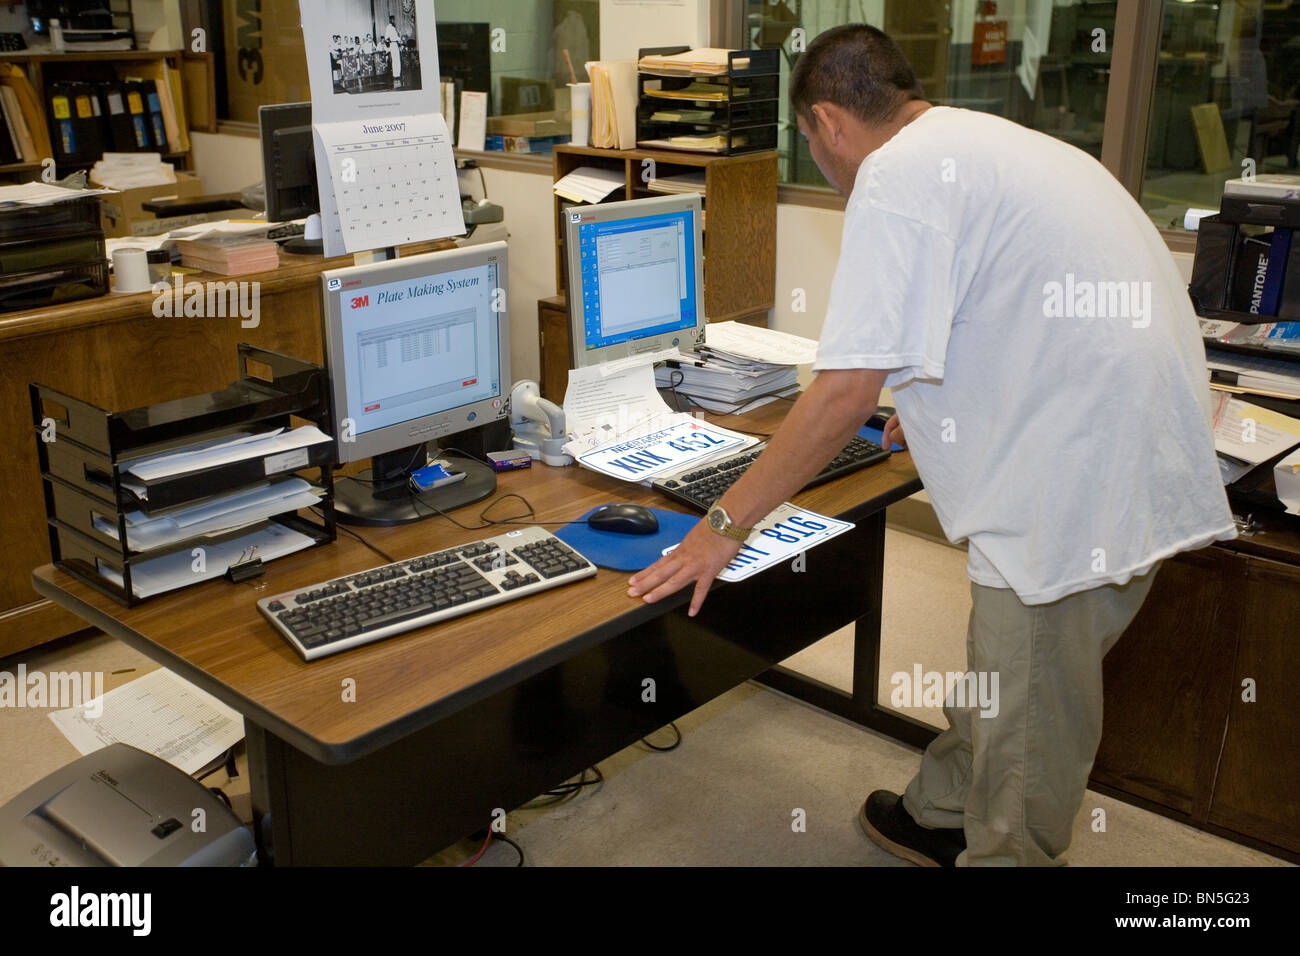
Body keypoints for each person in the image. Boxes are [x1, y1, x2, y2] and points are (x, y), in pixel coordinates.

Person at [626, 24, 1236, 866]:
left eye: (812, 143)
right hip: (1132, 439)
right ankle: (945, 809)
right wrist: (943, 395)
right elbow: (1005, 298)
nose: (827, 166)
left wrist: (720, 528)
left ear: (828, 122)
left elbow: (842, 393)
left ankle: (999, 848)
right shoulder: (977, 142)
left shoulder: (897, 177)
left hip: (1081, 484)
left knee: (1030, 712)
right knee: (1010, 667)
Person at [385, 15, 403, 86]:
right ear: (390, 20)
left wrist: (399, 38)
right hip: (392, 44)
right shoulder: (388, 27)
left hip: (396, 44)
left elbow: (397, 37)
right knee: (395, 60)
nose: (394, 21)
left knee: (397, 59)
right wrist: (391, 42)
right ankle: (395, 75)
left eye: (394, 20)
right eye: (392, 20)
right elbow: (386, 38)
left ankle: (398, 74)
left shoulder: (393, 28)